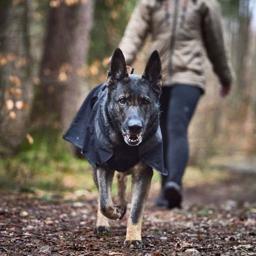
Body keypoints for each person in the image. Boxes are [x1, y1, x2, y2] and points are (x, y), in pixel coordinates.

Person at [119, 0, 233, 209]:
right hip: (155, 79)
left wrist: (225, 76)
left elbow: (215, 43)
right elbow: (134, 34)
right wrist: (120, 61)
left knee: (176, 127)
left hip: (189, 77)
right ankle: (166, 190)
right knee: (159, 131)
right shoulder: (150, 4)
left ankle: (173, 184)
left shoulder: (204, 5)